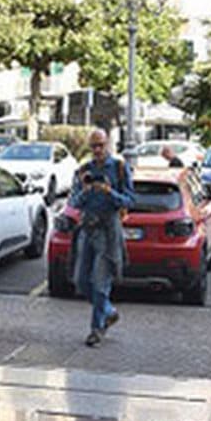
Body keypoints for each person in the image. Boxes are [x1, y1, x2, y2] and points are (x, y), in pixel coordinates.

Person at [69, 128, 134, 347]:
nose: (97, 150)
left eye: (101, 145)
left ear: (108, 144)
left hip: (108, 231)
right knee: (80, 281)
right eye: (94, 146)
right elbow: (74, 202)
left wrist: (109, 192)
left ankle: (96, 329)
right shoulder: (84, 170)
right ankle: (108, 311)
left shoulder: (119, 168)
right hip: (88, 229)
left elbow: (130, 200)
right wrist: (86, 190)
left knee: (99, 283)